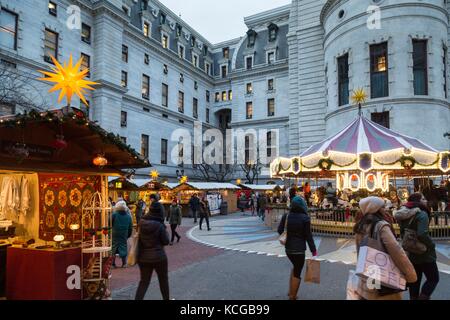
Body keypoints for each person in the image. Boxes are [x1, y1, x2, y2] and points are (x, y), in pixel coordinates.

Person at [353, 197, 417, 300]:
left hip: (369, 272)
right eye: (382, 207)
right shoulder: (381, 226)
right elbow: (397, 251)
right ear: (376, 209)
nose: (386, 209)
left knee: (370, 295)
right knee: (381, 295)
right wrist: (410, 275)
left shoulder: (360, 225)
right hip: (383, 274)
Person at [394, 193, 440, 300]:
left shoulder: (404, 215)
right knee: (433, 278)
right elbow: (422, 233)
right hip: (424, 252)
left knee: (415, 279)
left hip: (411, 251)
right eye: (423, 198)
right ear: (417, 201)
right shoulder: (422, 214)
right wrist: (430, 244)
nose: (425, 200)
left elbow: (402, 232)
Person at [277, 196, 317, 300]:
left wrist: (288, 236)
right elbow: (308, 236)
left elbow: (280, 230)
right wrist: (314, 250)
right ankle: (292, 296)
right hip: (299, 250)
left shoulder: (286, 216)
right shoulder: (305, 218)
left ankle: (291, 292)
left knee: (295, 268)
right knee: (297, 272)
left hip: (288, 249)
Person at [135, 201, 170, 300]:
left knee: (144, 282)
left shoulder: (141, 223)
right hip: (159, 257)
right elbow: (166, 241)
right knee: (163, 281)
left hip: (143, 257)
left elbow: (139, 240)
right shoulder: (159, 225)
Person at [112, 201, 133, 268]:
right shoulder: (128, 216)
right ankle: (124, 263)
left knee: (114, 247)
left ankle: (113, 264)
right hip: (124, 233)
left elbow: (110, 223)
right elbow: (130, 227)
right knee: (123, 246)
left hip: (115, 233)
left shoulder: (114, 214)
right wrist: (128, 235)